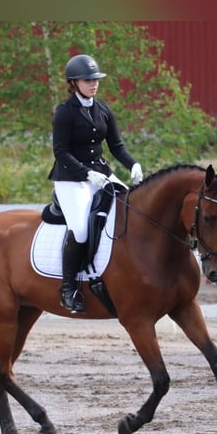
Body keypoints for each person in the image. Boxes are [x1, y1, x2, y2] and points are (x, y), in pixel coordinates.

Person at [48, 54, 143, 313]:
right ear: (74, 83)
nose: (94, 84)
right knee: (79, 230)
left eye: (96, 80)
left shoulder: (102, 109)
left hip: (101, 173)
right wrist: (86, 174)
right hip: (70, 179)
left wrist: (132, 164)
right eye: (88, 80)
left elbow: (116, 146)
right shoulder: (64, 113)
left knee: (132, 212)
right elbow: (61, 152)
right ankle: (68, 289)